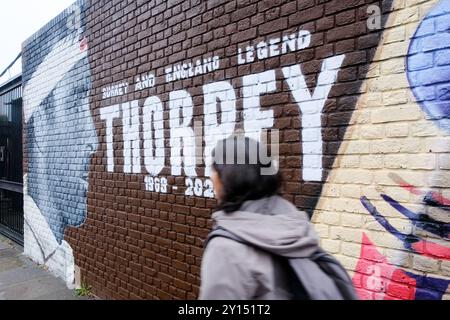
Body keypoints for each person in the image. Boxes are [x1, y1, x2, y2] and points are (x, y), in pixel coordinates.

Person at [199, 134, 321, 299]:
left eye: (214, 168)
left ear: (227, 177)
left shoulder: (226, 249)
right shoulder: (296, 222)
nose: (211, 176)